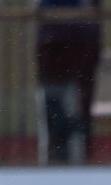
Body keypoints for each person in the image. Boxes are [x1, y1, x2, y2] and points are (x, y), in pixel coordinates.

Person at [35, 0, 100, 164]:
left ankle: (80, 158)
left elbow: (90, 8)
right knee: (53, 106)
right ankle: (57, 156)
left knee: (79, 108)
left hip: (79, 41)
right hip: (52, 42)